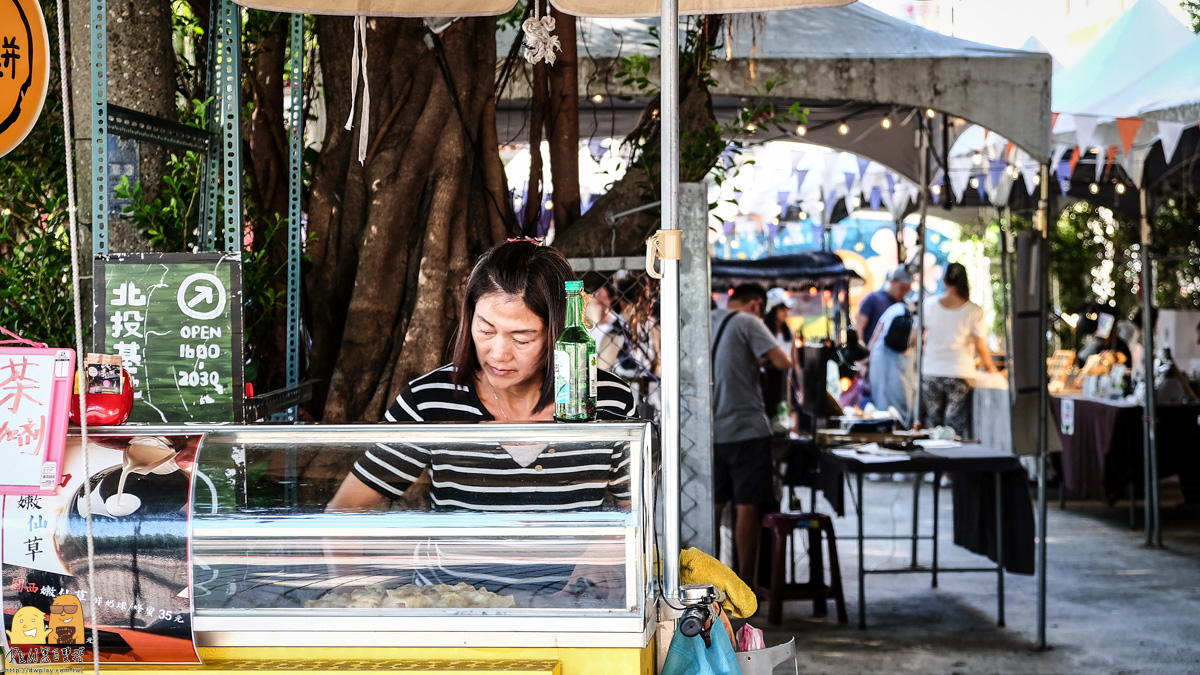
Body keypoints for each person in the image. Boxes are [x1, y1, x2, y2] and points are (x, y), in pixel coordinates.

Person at [328, 240, 636, 513]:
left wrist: (603, 555)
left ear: (557, 333)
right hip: (453, 581)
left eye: (522, 339)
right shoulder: (431, 402)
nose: (498, 353)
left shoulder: (608, 400)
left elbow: (635, 516)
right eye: (486, 330)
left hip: (572, 581)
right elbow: (345, 510)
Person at [711, 283, 792, 584]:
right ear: (757, 304)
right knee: (747, 504)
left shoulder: (707, 320)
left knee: (715, 505)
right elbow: (784, 361)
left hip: (711, 429)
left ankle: (710, 585)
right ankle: (745, 583)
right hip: (746, 428)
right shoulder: (748, 321)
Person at [920, 263, 997, 436]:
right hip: (960, 372)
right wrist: (993, 370)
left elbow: (914, 338)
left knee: (934, 425)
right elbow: (980, 348)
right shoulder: (974, 310)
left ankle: (933, 461)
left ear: (945, 280)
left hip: (931, 369)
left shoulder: (928, 305)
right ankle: (953, 460)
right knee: (953, 428)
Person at [867, 300, 916, 427]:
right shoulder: (906, 312)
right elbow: (915, 340)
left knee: (883, 398)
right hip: (898, 362)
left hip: (885, 360)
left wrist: (866, 358)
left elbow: (877, 332)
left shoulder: (895, 309)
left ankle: (884, 429)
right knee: (898, 400)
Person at [855, 265, 913, 357]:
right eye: (902, 288)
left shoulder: (905, 307)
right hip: (870, 356)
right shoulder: (873, 299)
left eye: (907, 290)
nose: (904, 292)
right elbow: (859, 328)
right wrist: (863, 354)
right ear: (892, 281)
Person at [761, 287, 796, 425]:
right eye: (782, 308)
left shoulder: (790, 333)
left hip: (785, 379)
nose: (786, 312)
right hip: (768, 381)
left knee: (786, 414)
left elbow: (794, 361)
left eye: (787, 308)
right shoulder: (764, 331)